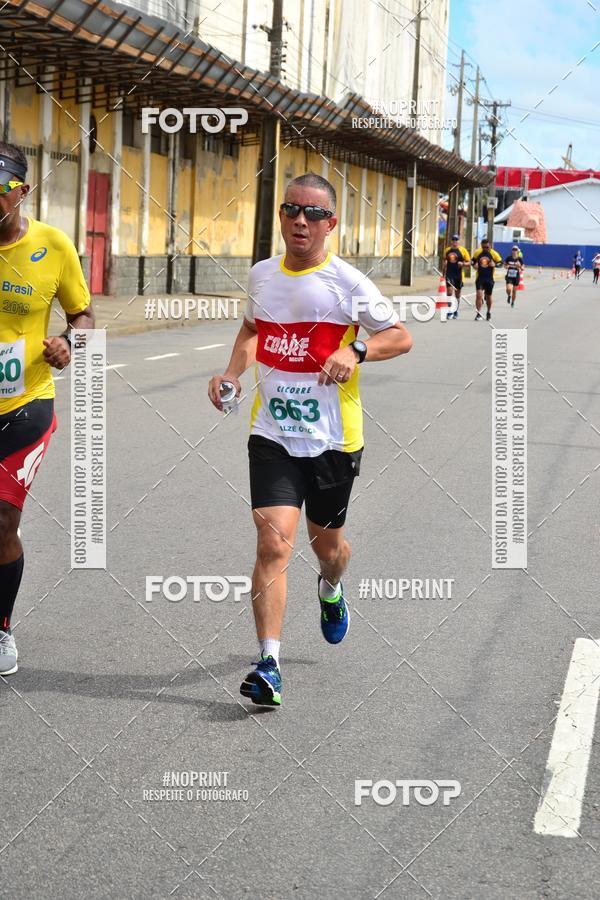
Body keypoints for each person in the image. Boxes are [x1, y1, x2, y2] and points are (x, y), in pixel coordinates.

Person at [208, 173, 412, 707]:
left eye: (314, 213)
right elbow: (252, 330)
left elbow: (400, 337)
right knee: (273, 544)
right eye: (291, 210)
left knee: (330, 549)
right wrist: (231, 374)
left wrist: (357, 350)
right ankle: (269, 664)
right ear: (281, 216)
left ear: (331, 223)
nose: (301, 220)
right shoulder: (262, 276)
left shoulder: (348, 283)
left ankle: (331, 586)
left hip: (332, 442)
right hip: (272, 434)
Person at [0, 142, 94, 675]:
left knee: (2, 518)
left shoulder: (53, 245)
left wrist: (68, 343)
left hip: (26, 405)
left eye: (0, 188)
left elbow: (84, 315)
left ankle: (1, 628)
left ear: (23, 192)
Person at [471, 238, 502, 321]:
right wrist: (474, 265)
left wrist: (495, 265)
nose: (485, 249)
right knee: (479, 295)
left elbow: (501, 263)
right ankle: (478, 314)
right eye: (483, 247)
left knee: (488, 296)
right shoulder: (478, 252)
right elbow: (472, 261)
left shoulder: (494, 253)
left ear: (490, 246)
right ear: (481, 246)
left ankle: (488, 312)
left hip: (490, 278)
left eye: (487, 247)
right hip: (480, 278)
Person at [442, 233, 470, 319]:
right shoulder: (447, 250)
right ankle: (450, 311)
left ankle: (456, 311)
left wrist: (463, 264)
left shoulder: (463, 250)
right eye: (453, 239)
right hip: (449, 274)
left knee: (457, 295)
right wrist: (443, 271)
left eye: (456, 240)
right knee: (449, 293)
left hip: (459, 275)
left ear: (459, 241)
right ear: (451, 241)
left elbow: (469, 262)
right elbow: (444, 261)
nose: (455, 241)